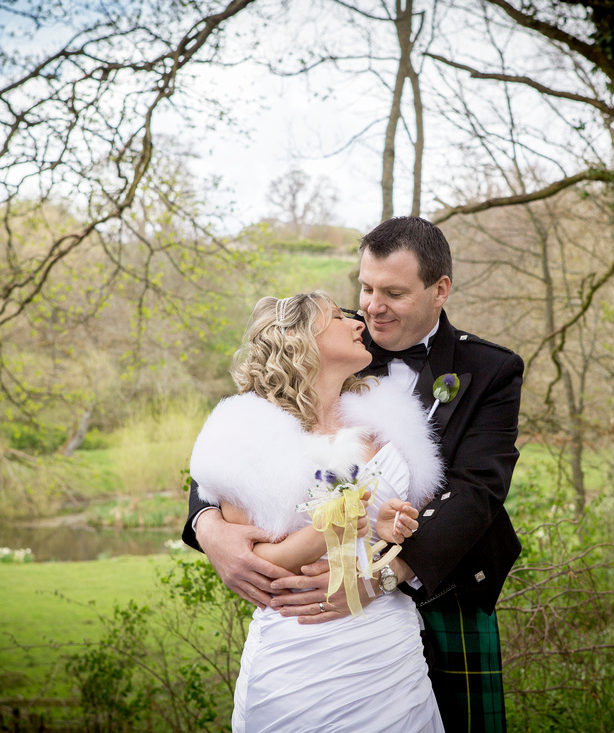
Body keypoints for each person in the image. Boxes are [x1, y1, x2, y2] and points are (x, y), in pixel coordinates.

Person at [185, 217, 524, 732]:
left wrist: (382, 576)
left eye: (393, 292)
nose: (370, 307)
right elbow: (236, 447)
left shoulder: (491, 369)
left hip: (442, 584)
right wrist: (208, 527)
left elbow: (478, 490)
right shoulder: (328, 346)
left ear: (440, 290)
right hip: (317, 617)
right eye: (365, 288)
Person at [188, 291, 446, 731]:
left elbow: (404, 526)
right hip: (300, 658)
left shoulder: (390, 417)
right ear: (297, 338)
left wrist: (389, 527)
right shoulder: (245, 435)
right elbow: (255, 564)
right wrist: (327, 532)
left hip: (391, 651)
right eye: (338, 317)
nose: (359, 321)